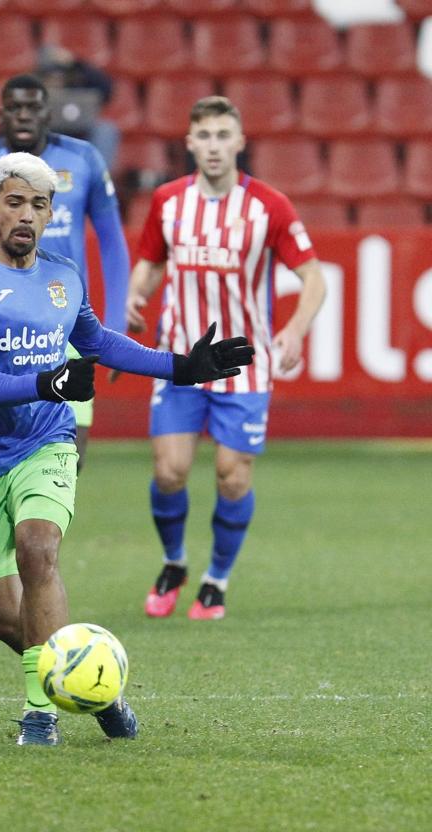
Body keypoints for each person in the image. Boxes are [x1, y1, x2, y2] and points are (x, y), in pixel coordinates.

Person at [0, 152, 253, 746]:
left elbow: (97, 342)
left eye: (40, 205)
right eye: (16, 202)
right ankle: (101, 688)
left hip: (45, 441)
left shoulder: (62, 275)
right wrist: (48, 381)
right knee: (10, 619)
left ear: (52, 213)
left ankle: (39, 714)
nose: (27, 215)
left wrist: (181, 366)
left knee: (38, 547)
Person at [124, 96, 326, 621]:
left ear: (240, 142)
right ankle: (174, 564)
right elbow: (149, 261)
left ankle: (216, 579)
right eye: (205, 136)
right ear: (190, 143)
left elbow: (314, 279)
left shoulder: (270, 207)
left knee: (232, 477)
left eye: (223, 136)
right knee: (170, 471)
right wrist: (135, 294)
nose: (214, 146)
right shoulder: (169, 202)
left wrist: (296, 330)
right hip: (181, 361)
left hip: (244, 363)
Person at [0, 74, 129, 471]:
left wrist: (116, 322)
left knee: (67, 463)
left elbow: (112, 243)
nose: (24, 115)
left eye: (33, 107)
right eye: (14, 107)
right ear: (0, 113)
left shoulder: (84, 160)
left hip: (67, 327)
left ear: (48, 113)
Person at [35, 44, 120, 171]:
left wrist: (76, 63)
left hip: (81, 131)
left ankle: (97, 179)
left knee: (105, 129)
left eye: (60, 75)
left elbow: (105, 88)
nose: (56, 79)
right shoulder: (34, 88)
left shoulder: (77, 85)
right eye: (51, 75)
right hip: (48, 133)